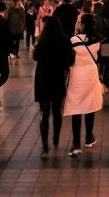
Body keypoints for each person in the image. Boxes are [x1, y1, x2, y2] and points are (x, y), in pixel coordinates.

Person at [33, 17, 73, 157]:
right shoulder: (64, 41)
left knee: (44, 113)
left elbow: (35, 56)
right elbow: (70, 60)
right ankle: (56, 138)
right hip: (57, 79)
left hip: (43, 80)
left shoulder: (42, 41)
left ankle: (45, 147)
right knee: (56, 111)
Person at [62, 13, 102, 157]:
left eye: (79, 22)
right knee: (89, 106)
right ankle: (89, 138)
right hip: (91, 74)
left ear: (83, 25)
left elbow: (69, 59)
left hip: (77, 75)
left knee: (76, 108)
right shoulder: (96, 40)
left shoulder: (73, 40)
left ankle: (76, 143)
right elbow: (98, 58)